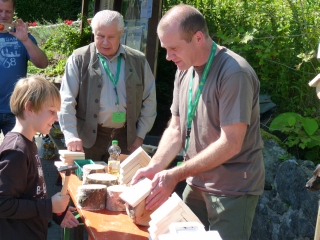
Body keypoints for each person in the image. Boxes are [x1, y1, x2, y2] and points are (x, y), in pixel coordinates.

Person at [131, 4, 265, 240]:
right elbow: (175, 128)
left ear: (198, 38)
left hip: (231, 190)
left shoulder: (234, 73)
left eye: (173, 48)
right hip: (195, 183)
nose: (168, 57)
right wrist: (156, 167)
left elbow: (231, 143)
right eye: (165, 49)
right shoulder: (184, 69)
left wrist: (175, 174)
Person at [58, 9, 157, 161]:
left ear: (121, 34)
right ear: (94, 33)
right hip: (87, 140)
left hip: (126, 140)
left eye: (111, 37)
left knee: (121, 183)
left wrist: (139, 136)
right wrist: (71, 135)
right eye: (100, 36)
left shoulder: (138, 60)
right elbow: (66, 100)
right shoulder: (79, 59)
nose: (105, 42)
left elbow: (150, 101)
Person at [0, 77, 79, 239]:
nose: (56, 118)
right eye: (51, 111)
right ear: (29, 108)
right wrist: (49, 206)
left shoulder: (29, 143)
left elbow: (30, 196)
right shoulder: (16, 151)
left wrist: (55, 212)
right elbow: (3, 204)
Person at [0, 0, 48, 136]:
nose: (3, 15)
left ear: (14, 11)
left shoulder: (22, 35)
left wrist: (26, 41)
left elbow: (43, 64)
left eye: (8, 11)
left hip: (16, 108)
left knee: (19, 153)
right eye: (0, 11)